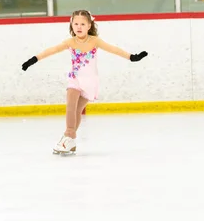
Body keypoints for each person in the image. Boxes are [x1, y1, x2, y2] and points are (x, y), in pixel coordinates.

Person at [21, 10, 148, 154]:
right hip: (75, 78)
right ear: (71, 25)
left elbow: (114, 49)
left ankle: (69, 142)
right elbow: (52, 50)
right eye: (76, 23)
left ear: (89, 26)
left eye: (82, 24)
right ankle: (69, 135)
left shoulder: (94, 41)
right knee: (70, 106)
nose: (79, 27)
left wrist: (131, 57)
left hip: (90, 82)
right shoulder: (70, 42)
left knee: (77, 111)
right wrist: (33, 59)